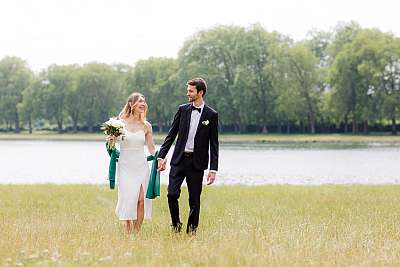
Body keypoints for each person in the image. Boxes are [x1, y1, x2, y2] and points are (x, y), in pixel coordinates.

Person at [158, 78, 219, 235]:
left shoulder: (211, 115)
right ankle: (176, 224)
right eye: (188, 90)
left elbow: (214, 144)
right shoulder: (182, 110)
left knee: (194, 200)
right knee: (172, 194)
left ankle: (191, 232)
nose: (188, 93)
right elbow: (171, 135)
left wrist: (213, 169)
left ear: (200, 93)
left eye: (191, 91)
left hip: (196, 164)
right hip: (178, 160)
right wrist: (161, 155)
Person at [108, 92, 156, 234]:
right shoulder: (119, 124)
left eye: (144, 101)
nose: (143, 104)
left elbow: (152, 148)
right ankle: (128, 230)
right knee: (129, 200)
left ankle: (136, 233)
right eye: (140, 101)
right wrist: (111, 139)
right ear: (131, 104)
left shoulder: (146, 126)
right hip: (125, 166)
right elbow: (111, 145)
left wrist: (160, 159)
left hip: (141, 166)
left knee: (141, 201)